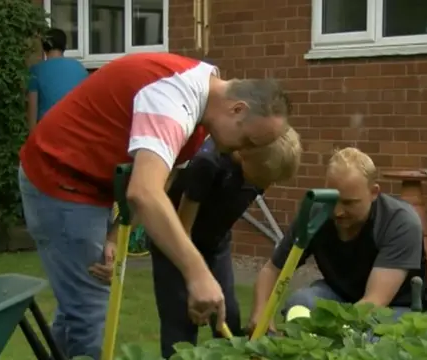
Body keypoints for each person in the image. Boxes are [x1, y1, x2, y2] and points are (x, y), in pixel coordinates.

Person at [18, 52, 291, 359]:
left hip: (91, 188)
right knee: (90, 312)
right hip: (59, 181)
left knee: (77, 307)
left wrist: (113, 235)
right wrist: (197, 273)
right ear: (237, 109)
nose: (244, 151)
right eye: (249, 141)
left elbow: (163, 177)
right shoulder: (174, 100)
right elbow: (144, 192)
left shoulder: (203, 103)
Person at [92, 129, 302, 358]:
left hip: (216, 245)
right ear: (245, 155)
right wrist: (195, 281)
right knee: (181, 321)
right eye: (264, 178)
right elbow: (183, 229)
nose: (267, 185)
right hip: (175, 246)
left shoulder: (260, 170)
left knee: (228, 316)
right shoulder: (207, 164)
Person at [248, 147, 427, 333]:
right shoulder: (315, 212)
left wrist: (331, 330)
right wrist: (260, 313)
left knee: (370, 338)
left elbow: (374, 302)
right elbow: (272, 269)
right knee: (300, 304)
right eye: (333, 199)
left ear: (374, 192)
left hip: (394, 307)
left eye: (349, 203)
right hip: (339, 296)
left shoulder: (399, 222)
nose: (337, 211)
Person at [26, 28, 88, 130]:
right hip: (76, 130)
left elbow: (32, 112)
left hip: (48, 131)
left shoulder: (36, 71)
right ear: (65, 47)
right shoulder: (80, 69)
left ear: (43, 47)